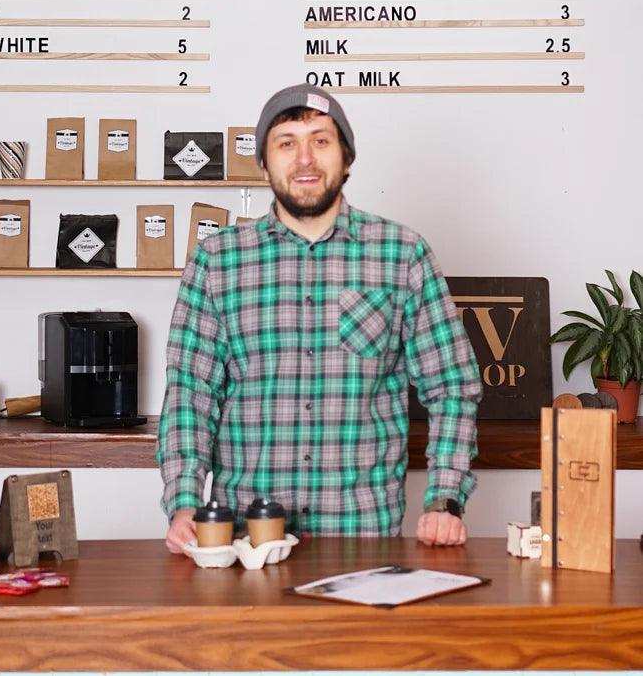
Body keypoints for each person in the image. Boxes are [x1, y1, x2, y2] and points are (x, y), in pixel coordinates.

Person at [157, 83, 482, 552]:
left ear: (347, 158)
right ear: (265, 163)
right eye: (286, 143)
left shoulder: (402, 254)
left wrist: (444, 499)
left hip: (363, 535)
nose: (305, 159)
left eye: (321, 141)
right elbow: (191, 392)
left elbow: (453, 386)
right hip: (246, 539)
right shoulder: (216, 262)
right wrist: (185, 501)